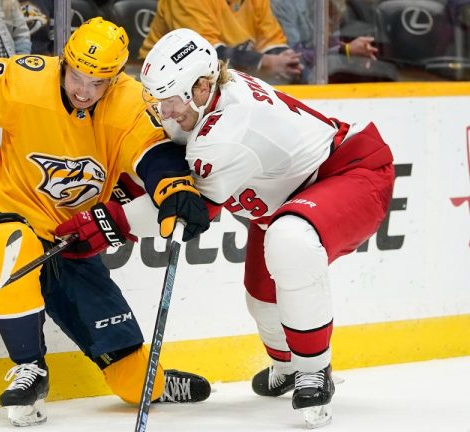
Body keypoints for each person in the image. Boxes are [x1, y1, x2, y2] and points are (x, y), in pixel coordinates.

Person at [0, 17, 212, 427]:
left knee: (132, 381)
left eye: (98, 82)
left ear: (115, 78)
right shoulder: (29, 80)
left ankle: (154, 384)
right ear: (64, 63)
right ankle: (30, 368)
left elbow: (155, 155)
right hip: (11, 217)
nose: (83, 91)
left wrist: (174, 190)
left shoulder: (129, 103)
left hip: (73, 240)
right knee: (11, 246)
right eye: (77, 76)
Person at [140, 28, 394, 428]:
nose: (164, 112)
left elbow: (189, 208)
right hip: (289, 194)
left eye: (170, 100)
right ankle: (289, 367)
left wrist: (105, 226)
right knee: (262, 298)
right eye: (157, 100)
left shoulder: (227, 131)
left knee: (290, 240)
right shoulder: (208, 100)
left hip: (351, 173)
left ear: (202, 87)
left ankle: (314, 371)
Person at [138, 0, 303, 84]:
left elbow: (271, 39)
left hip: (226, 77)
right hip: (163, 77)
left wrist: (286, 61)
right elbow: (202, 53)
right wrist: (265, 62)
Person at [270, 0, 379, 83]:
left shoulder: (331, 5)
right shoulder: (283, 4)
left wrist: (356, 50)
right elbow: (293, 55)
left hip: (330, 75)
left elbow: (331, 42)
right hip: (300, 83)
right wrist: (345, 50)